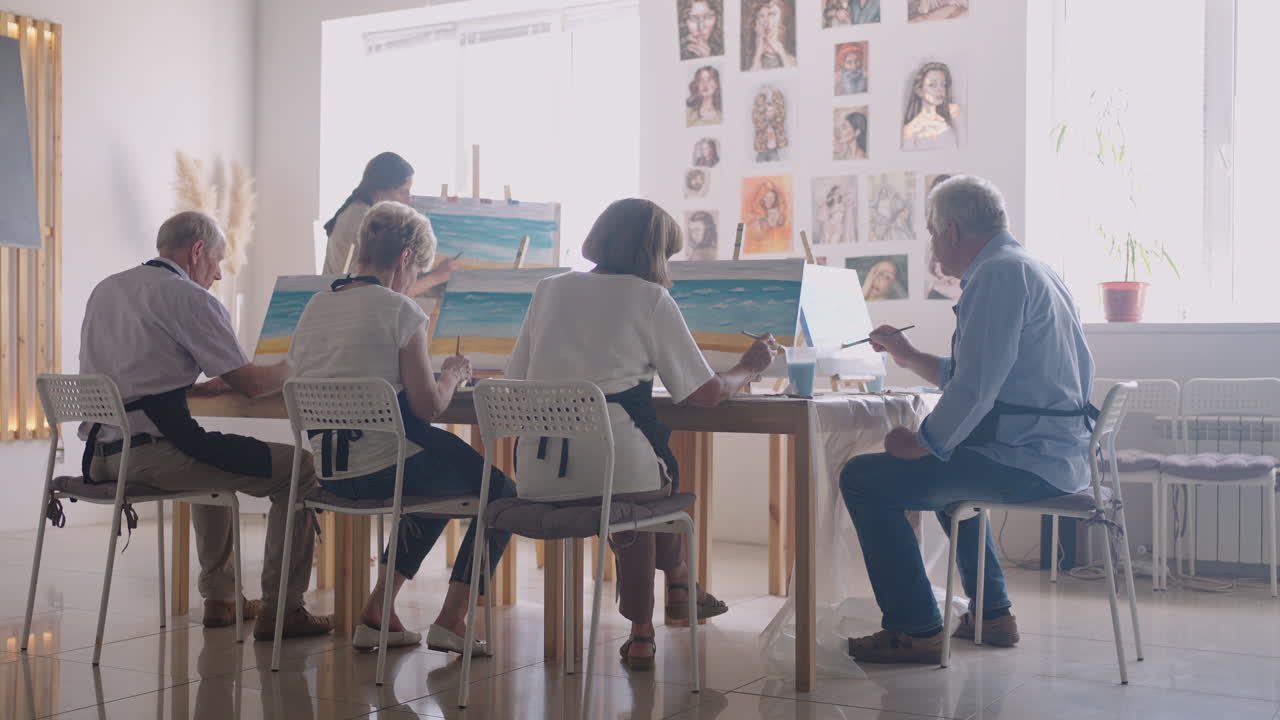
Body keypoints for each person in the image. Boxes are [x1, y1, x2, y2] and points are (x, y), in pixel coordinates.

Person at [506, 198, 779, 670]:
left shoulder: (548, 290)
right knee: (643, 490)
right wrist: (749, 367)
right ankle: (648, 623)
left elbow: (514, 379)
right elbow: (706, 394)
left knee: (635, 485)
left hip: (538, 472)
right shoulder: (650, 298)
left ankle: (674, 594)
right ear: (655, 252)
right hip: (618, 472)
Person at [839, 176, 1095, 663]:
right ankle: (992, 613)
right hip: (1052, 452)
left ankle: (914, 628)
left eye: (933, 233)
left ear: (951, 230)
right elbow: (987, 374)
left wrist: (923, 442)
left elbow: (977, 387)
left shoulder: (996, 275)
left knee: (865, 479)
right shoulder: (1030, 267)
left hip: (1027, 459)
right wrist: (910, 355)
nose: (934, 244)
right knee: (950, 466)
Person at [79, 211, 332, 640]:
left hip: (101, 456)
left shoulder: (107, 289)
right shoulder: (187, 296)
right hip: (152, 457)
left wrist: (201, 384)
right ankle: (283, 610)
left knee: (213, 457)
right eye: (217, 260)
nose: (218, 273)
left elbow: (137, 373)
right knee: (300, 468)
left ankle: (221, 598)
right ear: (197, 251)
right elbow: (252, 385)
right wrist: (297, 364)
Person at [290, 201, 517, 653]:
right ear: (404, 259)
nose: (415, 281)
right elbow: (429, 407)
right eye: (418, 271)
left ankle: (378, 611)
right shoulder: (401, 310)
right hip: (384, 470)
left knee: (437, 484)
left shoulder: (316, 305)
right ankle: (453, 618)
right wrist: (452, 373)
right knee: (503, 494)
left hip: (332, 474)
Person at [321, 152, 457, 293]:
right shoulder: (367, 221)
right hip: (353, 304)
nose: (409, 200)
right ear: (381, 190)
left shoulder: (356, 210)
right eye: (403, 192)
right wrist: (437, 277)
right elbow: (386, 292)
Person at [902, 62, 962, 150]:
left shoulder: (950, 120)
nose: (940, 89)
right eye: (932, 85)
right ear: (919, 91)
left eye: (943, 84)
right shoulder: (910, 130)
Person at [742, 0, 797, 71]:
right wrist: (758, 52)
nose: (767, 22)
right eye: (761, 16)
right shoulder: (748, 58)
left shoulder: (790, 58)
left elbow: (792, 77)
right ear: (756, 25)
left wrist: (781, 52)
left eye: (772, 15)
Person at [752, 87, 788, 162]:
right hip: (762, 150)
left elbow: (781, 107)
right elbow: (757, 109)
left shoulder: (778, 121)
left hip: (773, 150)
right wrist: (763, 94)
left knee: (776, 166)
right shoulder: (760, 120)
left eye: (772, 110)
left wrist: (774, 91)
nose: (769, 112)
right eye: (767, 110)